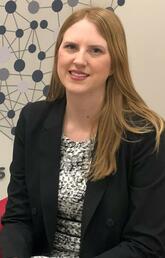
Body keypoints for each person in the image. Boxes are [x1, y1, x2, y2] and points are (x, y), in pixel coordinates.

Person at [0, 6, 165, 258]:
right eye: (71, 47)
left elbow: (146, 244)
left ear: (114, 64)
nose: (79, 60)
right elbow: (18, 217)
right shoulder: (32, 119)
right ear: (58, 55)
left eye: (95, 50)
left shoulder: (145, 135)